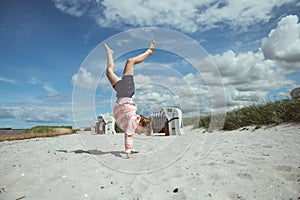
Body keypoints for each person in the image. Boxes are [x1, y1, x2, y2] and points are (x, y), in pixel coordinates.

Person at [104, 40, 156, 158]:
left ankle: (110, 54)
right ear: (141, 125)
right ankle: (149, 51)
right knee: (130, 62)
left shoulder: (128, 123)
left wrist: (130, 150)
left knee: (108, 72)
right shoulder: (133, 121)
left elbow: (128, 132)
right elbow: (128, 136)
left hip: (120, 92)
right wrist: (128, 152)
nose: (140, 133)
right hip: (126, 91)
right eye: (142, 131)